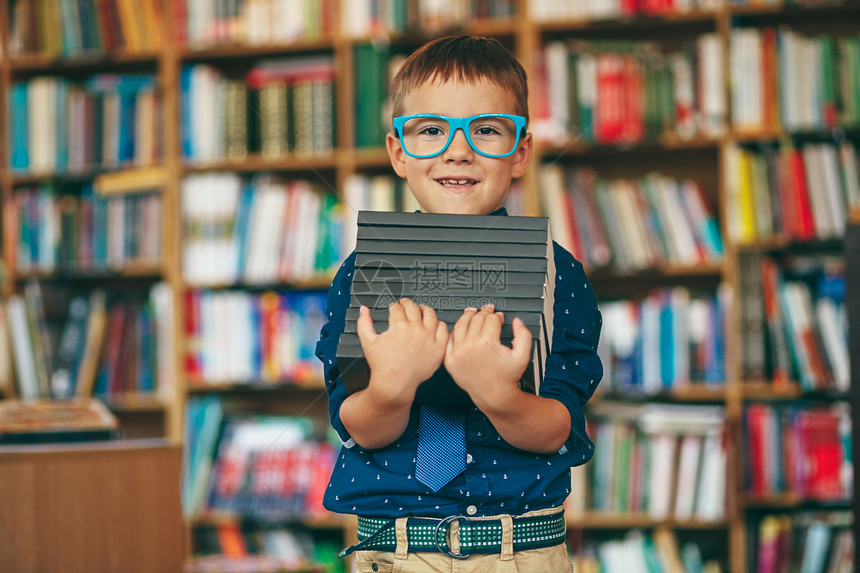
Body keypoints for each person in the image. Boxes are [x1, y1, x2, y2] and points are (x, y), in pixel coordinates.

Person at [315, 34, 602, 572]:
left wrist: (497, 392)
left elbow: (557, 428)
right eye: (431, 130)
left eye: (487, 130)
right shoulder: (363, 273)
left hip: (519, 549)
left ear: (520, 152)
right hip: (395, 550)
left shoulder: (557, 274)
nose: (458, 150)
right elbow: (358, 425)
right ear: (399, 152)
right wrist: (392, 387)